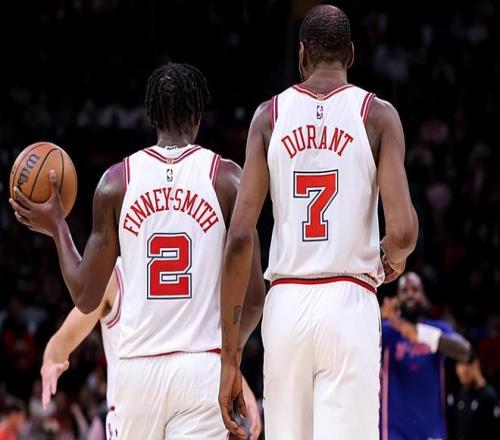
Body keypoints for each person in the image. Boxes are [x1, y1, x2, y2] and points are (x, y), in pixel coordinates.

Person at [10, 62, 265, 440]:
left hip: (135, 372)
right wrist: (232, 357)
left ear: (151, 117)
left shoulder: (116, 182)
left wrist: (57, 227)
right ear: (197, 116)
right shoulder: (227, 179)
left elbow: (85, 295)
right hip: (202, 366)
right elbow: (255, 299)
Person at [219, 5, 418, 440]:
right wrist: (392, 258)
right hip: (350, 298)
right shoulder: (377, 115)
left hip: (287, 301)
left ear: (302, 55)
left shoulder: (268, 116)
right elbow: (403, 232)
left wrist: (230, 356)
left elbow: (239, 238)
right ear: (351, 54)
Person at [41, 258, 262, 440]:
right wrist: (51, 359)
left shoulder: (190, 272)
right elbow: (64, 338)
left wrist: (241, 383)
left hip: (179, 404)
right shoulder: (115, 277)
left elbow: (200, 344)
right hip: (134, 412)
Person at [381, 272, 471, 440]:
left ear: (423, 296)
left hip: (432, 429)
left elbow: (465, 351)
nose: (410, 294)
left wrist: (420, 335)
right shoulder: (385, 330)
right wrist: (379, 314)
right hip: (395, 430)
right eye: (404, 290)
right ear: (397, 298)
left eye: (415, 289)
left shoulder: (437, 329)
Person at [449, 350, 500, 440]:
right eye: (459, 365)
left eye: (465, 365)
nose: (461, 370)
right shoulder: (461, 395)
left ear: (476, 364)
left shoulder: (489, 396)